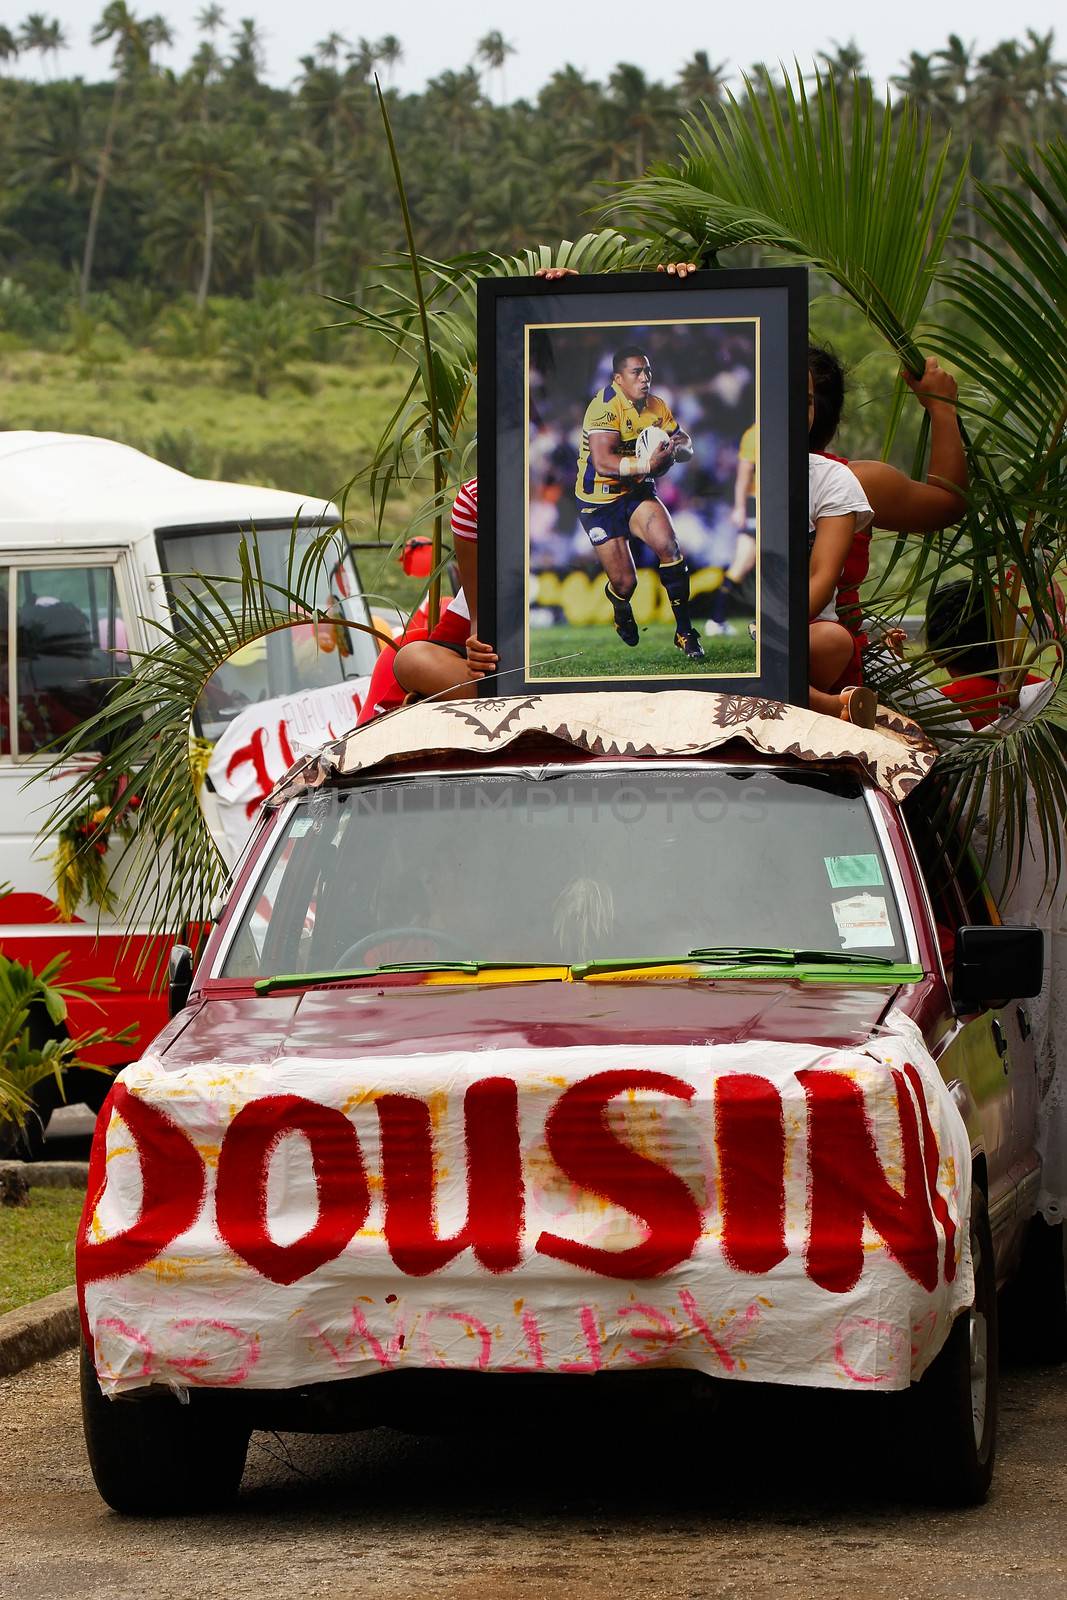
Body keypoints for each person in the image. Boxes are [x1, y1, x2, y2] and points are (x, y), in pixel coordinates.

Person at [574, 346, 705, 661]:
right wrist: (648, 465)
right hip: (599, 501)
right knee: (625, 582)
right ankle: (619, 604)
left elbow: (683, 440)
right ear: (619, 378)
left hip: (636, 493)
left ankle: (685, 632)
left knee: (669, 548)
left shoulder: (656, 405)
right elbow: (603, 462)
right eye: (636, 372)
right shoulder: (604, 407)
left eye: (647, 371)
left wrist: (678, 450)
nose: (645, 378)